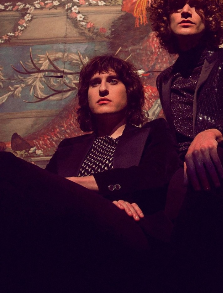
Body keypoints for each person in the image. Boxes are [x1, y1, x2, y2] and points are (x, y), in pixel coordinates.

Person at [0, 55, 180, 293]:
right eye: (95, 83)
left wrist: (76, 187)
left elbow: (154, 176)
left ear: (130, 92)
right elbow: (46, 196)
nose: (103, 89)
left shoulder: (153, 132)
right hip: (68, 231)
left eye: (113, 81)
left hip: (129, 228)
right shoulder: (68, 148)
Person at [148, 0, 223, 291]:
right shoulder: (165, 79)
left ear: (209, 18)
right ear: (166, 19)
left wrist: (211, 134)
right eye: (178, 7)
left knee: (209, 161)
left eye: (196, 6)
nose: (186, 11)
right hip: (186, 174)